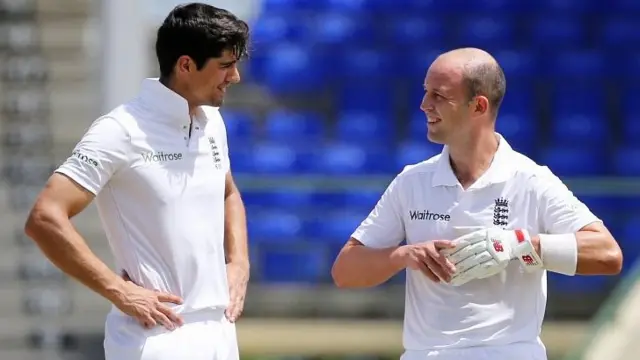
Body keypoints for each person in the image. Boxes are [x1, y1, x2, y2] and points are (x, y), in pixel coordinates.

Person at [331, 47, 623, 360]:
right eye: (425, 92)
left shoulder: (531, 179)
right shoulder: (411, 181)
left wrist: (518, 245)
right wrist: (403, 255)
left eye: (439, 96)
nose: (424, 105)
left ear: (478, 106)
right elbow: (345, 271)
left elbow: (608, 254)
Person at [24, 3, 250, 359]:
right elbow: (44, 217)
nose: (234, 76)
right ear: (186, 65)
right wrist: (119, 290)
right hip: (158, 337)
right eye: (225, 65)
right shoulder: (120, 130)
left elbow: (228, 193)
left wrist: (239, 262)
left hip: (221, 332)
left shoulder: (212, 122)